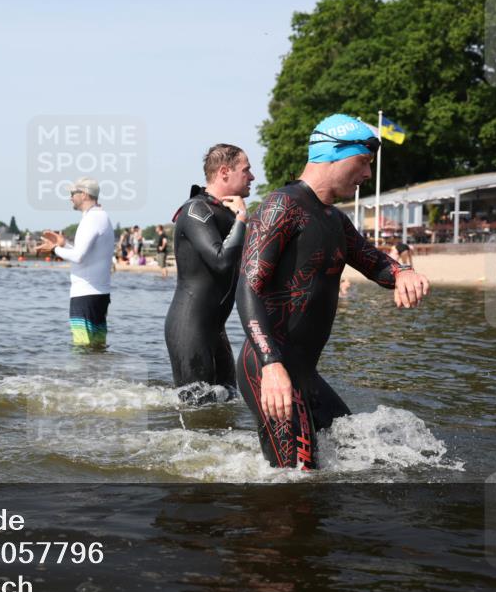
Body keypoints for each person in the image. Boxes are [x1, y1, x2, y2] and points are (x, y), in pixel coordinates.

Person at [235, 114, 430, 470]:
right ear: (335, 153)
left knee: (357, 451)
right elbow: (247, 288)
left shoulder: (334, 219)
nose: (368, 175)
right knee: (296, 483)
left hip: (305, 372)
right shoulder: (281, 206)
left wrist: (401, 272)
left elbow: (371, 260)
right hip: (270, 366)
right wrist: (272, 365)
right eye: (364, 162)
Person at [164, 144, 253, 403]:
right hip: (189, 329)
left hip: (216, 330)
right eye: (246, 170)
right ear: (225, 172)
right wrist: (242, 219)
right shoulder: (196, 210)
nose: (252, 177)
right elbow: (222, 261)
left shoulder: (228, 213)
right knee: (196, 411)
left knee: (227, 403)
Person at [37, 177, 115, 347]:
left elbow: (78, 257)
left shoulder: (92, 218)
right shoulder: (101, 216)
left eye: (73, 193)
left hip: (86, 294)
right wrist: (64, 244)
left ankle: (86, 375)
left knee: (83, 348)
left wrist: (54, 249)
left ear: (85, 194)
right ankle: (100, 374)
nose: (70, 197)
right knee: (96, 348)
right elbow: (86, 254)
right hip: (98, 294)